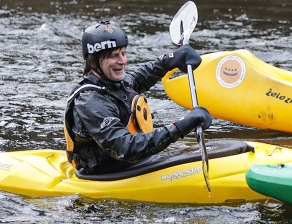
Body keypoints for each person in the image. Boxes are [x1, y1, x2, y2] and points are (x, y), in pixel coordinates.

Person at [63, 20, 213, 175]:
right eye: (115, 56)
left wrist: (169, 60)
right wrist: (180, 127)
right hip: (107, 172)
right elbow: (124, 147)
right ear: (94, 62)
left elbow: (138, 79)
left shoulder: (112, 82)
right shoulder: (90, 102)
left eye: (123, 53)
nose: (123, 61)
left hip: (131, 164)